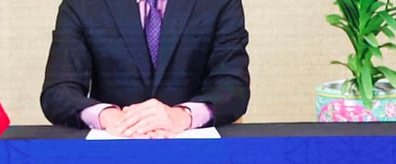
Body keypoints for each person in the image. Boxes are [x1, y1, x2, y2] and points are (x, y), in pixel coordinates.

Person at [40, 0, 250, 137]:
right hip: (113, 156)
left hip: (196, 158)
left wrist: (182, 115)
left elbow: (233, 88)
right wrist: (109, 117)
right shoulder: (82, 5)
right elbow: (58, 92)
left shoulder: (219, 3)